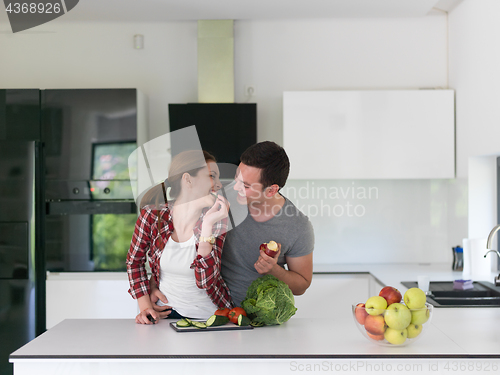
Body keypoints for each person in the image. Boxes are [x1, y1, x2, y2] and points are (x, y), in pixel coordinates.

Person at [126, 150, 233, 324]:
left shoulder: (216, 219)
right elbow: (134, 261)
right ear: (188, 179)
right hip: (166, 315)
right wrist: (145, 307)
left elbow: (206, 281)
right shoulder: (152, 216)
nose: (219, 184)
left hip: (212, 317)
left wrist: (206, 227)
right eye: (212, 176)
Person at [221, 141, 315, 306]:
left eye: (246, 185)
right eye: (237, 179)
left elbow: (301, 285)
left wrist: (274, 269)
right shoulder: (223, 199)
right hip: (215, 310)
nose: (235, 188)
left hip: (262, 318)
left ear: (271, 190)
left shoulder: (298, 226)